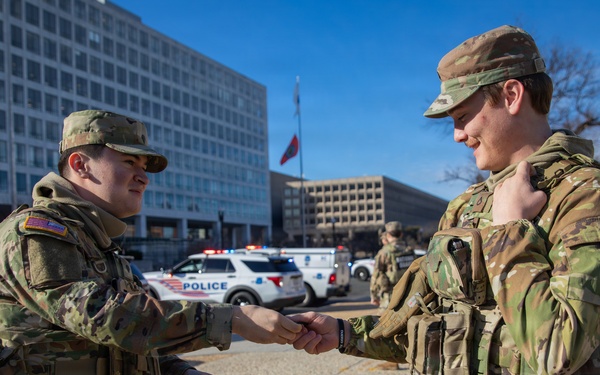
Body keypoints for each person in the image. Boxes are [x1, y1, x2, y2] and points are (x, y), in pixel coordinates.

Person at [291, 25, 600, 374]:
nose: (457, 136)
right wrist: (345, 333)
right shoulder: (465, 204)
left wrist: (509, 231)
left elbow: (560, 351)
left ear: (512, 95)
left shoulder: (585, 195)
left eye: (463, 117)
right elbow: (435, 330)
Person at [0, 110, 303, 374]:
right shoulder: (36, 233)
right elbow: (100, 316)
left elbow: (138, 346)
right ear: (80, 164)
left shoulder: (99, 244)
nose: (143, 178)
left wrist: (184, 372)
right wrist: (233, 318)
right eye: (129, 162)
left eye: (144, 167)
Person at [369, 221, 414, 312]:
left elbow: (376, 274)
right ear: (401, 234)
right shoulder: (409, 251)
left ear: (388, 235)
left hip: (390, 296)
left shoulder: (384, 252)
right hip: (409, 294)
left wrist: (374, 295)